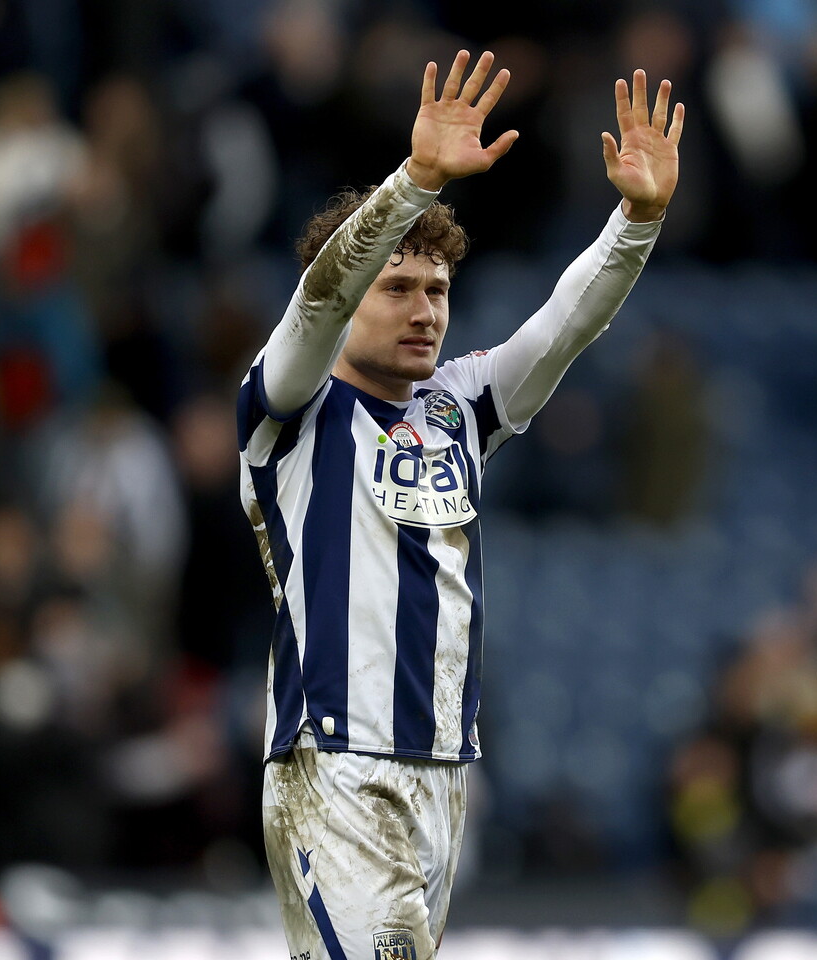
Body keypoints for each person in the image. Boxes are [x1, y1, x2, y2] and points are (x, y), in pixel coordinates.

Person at [236, 49, 682, 959]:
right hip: (338, 765)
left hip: (445, 773)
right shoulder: (286, 407)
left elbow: (566, 323)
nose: (424, 311)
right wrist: (414, 182)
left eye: (437, 291)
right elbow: (318, 299)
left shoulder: (460, 405)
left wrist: (637, 220)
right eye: (397, 288)